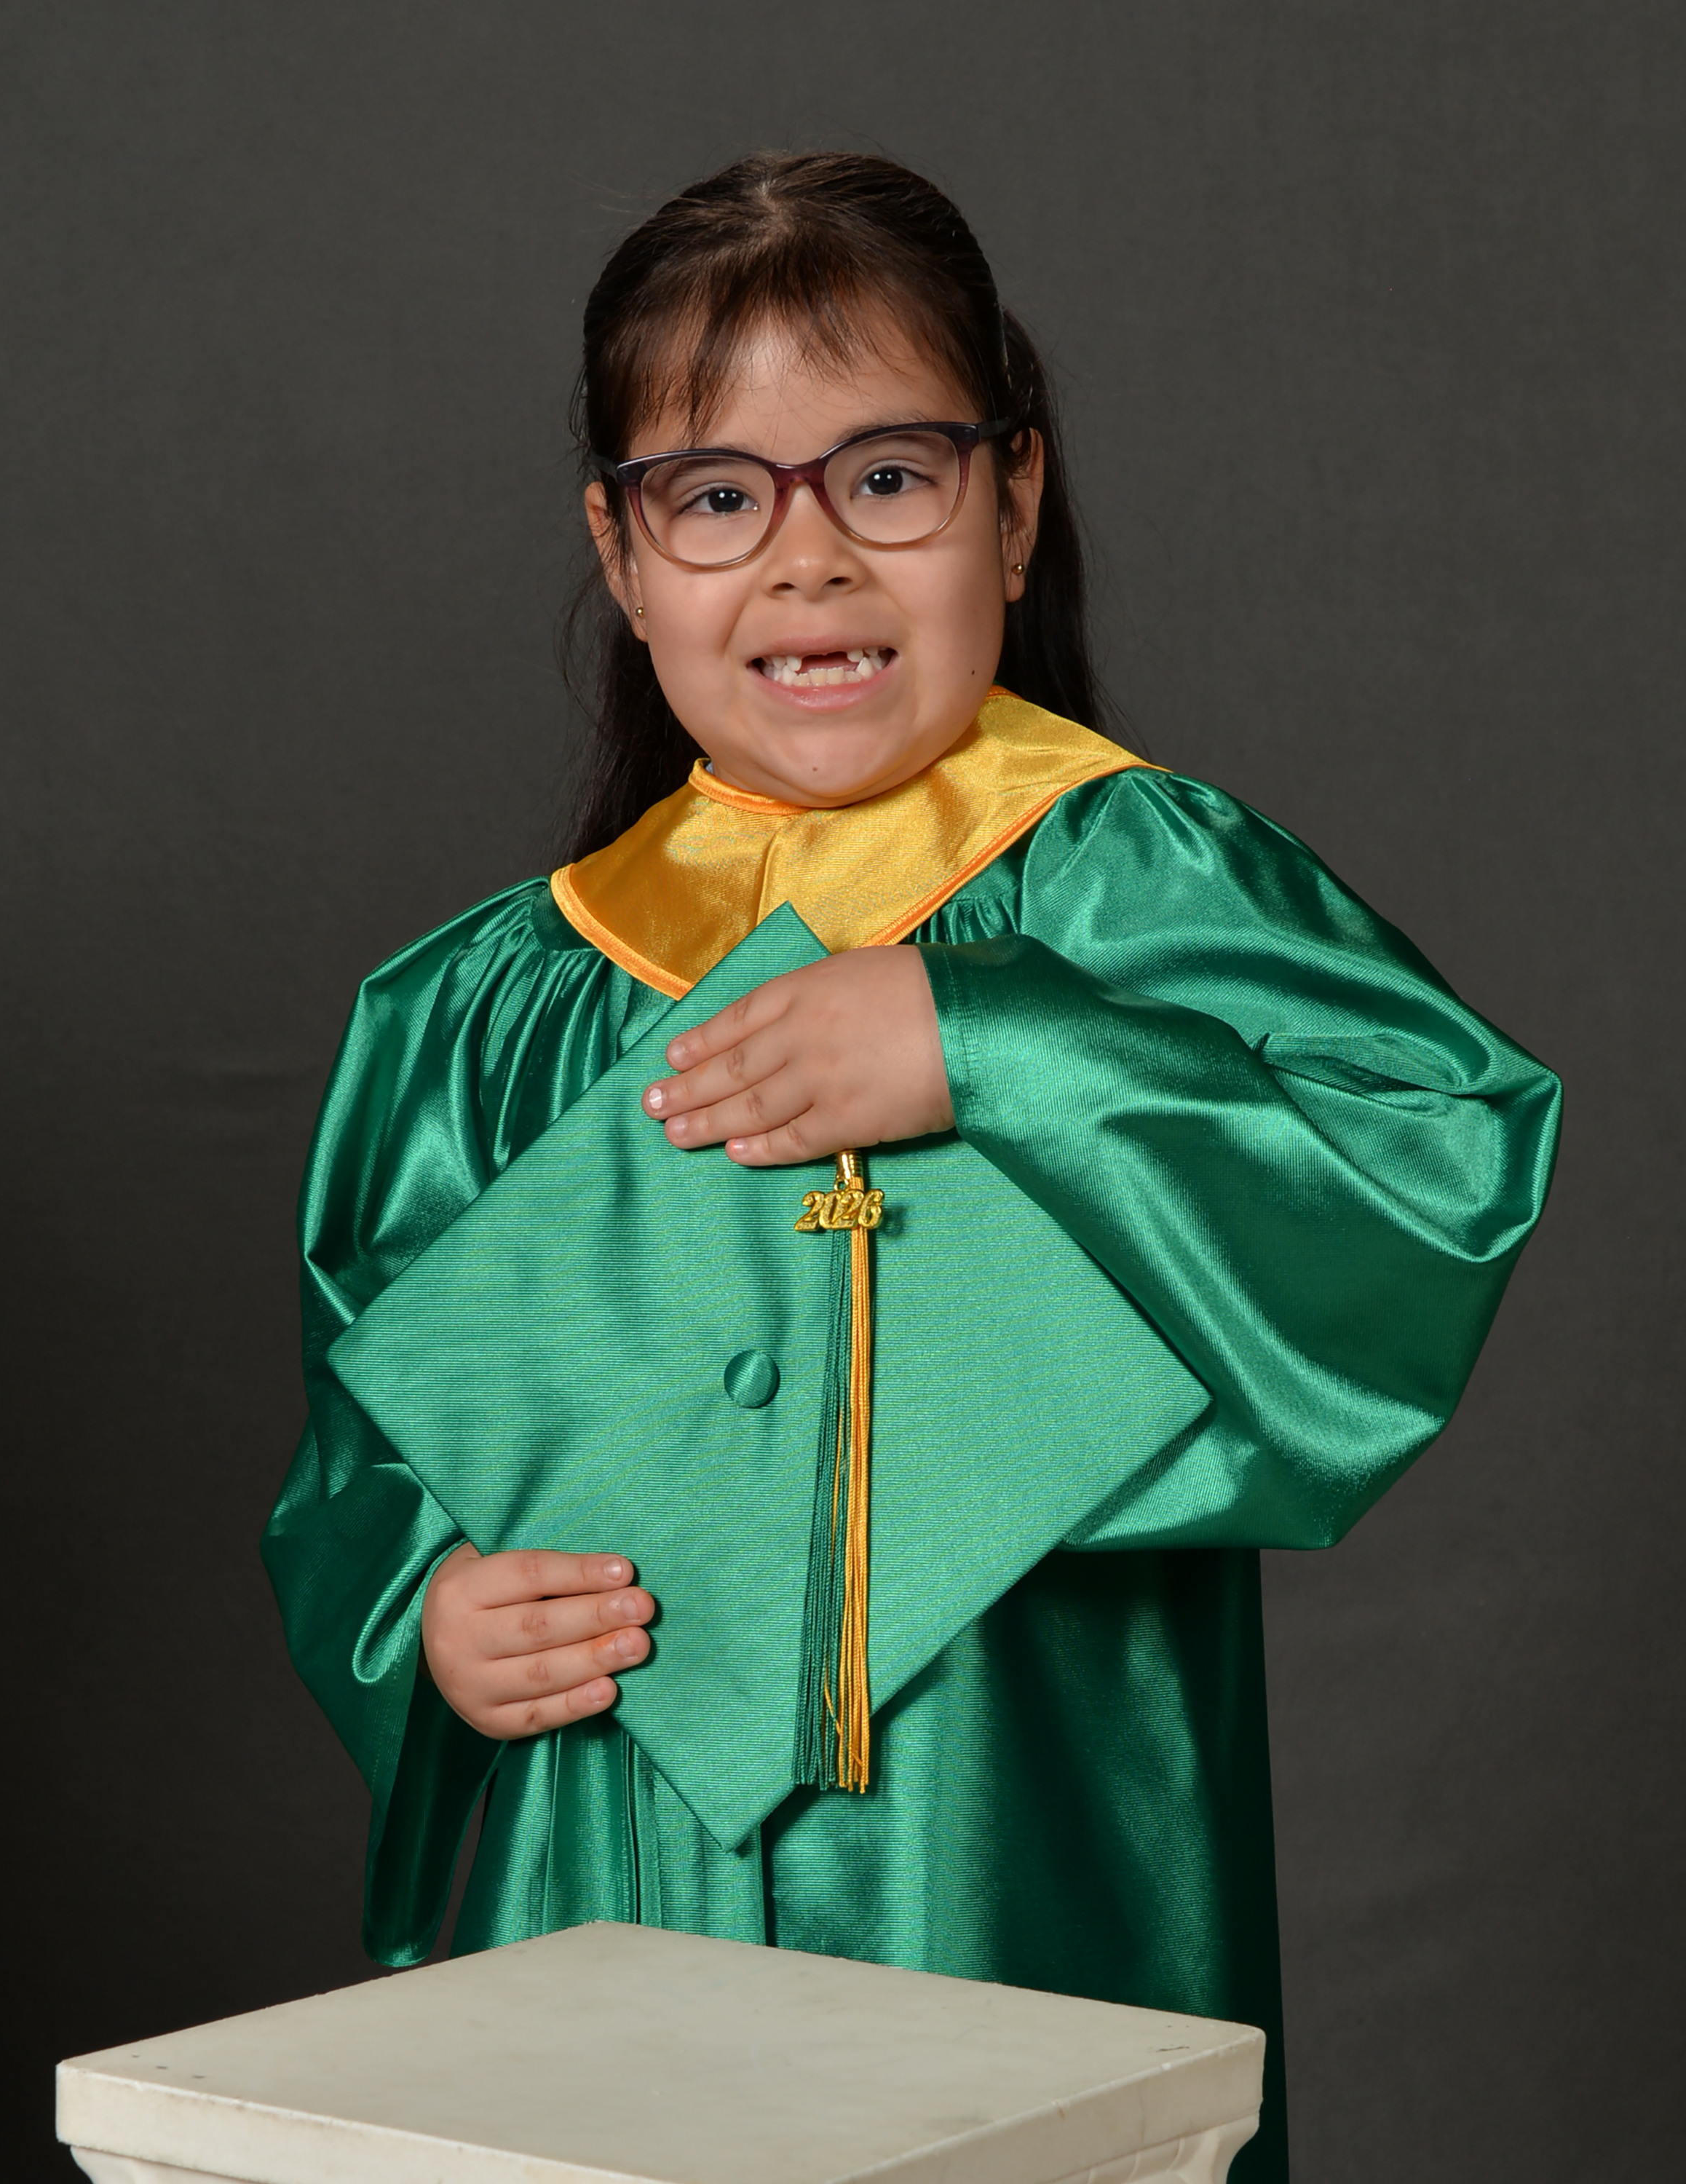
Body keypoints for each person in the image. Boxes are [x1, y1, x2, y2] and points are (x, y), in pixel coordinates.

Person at [263, 153, 1559, 2183]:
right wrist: (428, 1617)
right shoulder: (494, 1005)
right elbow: (371, 1444)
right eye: (716, 498)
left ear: (1014, 505)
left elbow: (1425, 1160)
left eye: (887, 478)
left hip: (1019, 1874)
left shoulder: (1131, 891)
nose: (809, 567)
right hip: (605, 1885)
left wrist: (991, 1043)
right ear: (619, 551)